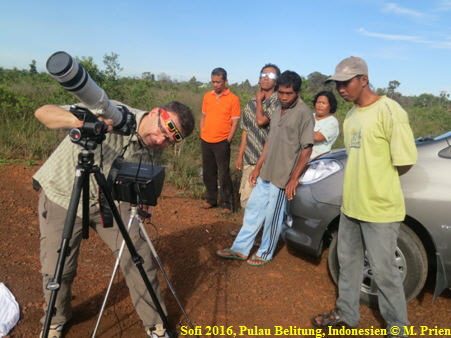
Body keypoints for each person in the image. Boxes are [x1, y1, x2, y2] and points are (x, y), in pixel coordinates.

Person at [34, 100, 195, 338]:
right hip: (63, 193)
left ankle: (156, 324)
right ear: (154, 112)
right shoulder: (111, 111)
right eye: (162, 130)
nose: (161, 140)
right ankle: (56, 318)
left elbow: (146, 174)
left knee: (138, 255)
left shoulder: (156, 144)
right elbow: (43, 112)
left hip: (109, 200)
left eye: (171, 140)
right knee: (57, 265)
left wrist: (144, 201)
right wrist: (84, 123)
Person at [311, 57, 417, 338]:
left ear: (364, 80)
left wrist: (377, 183)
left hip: (380, 209)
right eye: (338, 84)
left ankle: (397, 329)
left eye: (346, 83)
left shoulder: (389, 111)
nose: (341, 89)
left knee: (385, 273)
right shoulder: (351, 116)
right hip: (351, 207)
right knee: (348, 262)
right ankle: (347, 313)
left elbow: (405, 161)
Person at [216, 70, 314, 266]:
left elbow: (306, 150)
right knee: (253, 210)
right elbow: (269, 141)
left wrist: (294, 178)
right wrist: (258, 166)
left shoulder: (304, 114)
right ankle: (240, 249)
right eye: (281, 93)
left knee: (272, 217)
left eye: (289, 93)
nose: (284, 97)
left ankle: (266, 252)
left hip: (282, 176)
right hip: (267, 171)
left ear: (298, 92)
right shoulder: (278, 108)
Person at [235, 63, 280, 208]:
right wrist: (240, 155)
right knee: (246, 199)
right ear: (259, 79)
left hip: (269, 161)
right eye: (263, 75)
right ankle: (247, 230)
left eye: (271, 75)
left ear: (277, 80)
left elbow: (261, 121)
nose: (266, 78)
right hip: (250, 158)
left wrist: (260, 102)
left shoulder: (278, 103)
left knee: (264, 201)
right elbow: (245, 130)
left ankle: (261, 230)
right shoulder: (250, 104)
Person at [200, 68, 240, 213]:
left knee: (223, 174)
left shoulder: (233, 98)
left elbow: (235, 122)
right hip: (206, 139)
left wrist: (227, 140)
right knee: (208, 172)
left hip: (222, 141)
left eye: (218, 82)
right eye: (213, 82)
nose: (215, 85)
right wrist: (202, 132)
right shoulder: (207, 96)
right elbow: (203, 116)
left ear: (225, 81)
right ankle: (211, 199)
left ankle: (227, 204)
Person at [311, 90, 339, 158]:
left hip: (317, 159)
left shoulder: (332, 122)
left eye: (323, 103)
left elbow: (317, 137)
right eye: (318, 102)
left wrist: (298, 130)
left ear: (331, 106)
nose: (320, 105)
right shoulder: (309, 116)